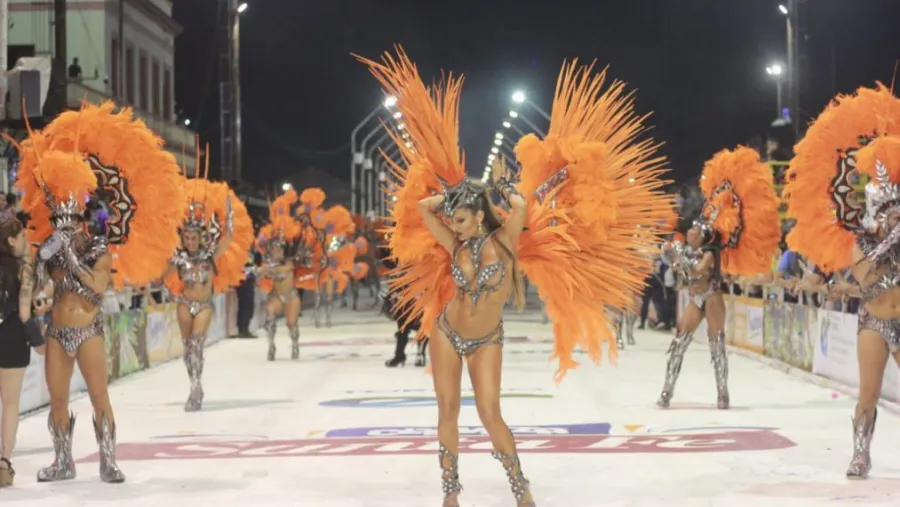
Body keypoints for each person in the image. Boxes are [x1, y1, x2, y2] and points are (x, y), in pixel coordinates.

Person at [358, 48, 673, 507]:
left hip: (486, 339)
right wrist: (457, 194)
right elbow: (427, 208)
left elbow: (522, 208)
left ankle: (520, 489)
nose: (455, 225)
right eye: (455, 221)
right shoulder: (454, 244)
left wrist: (493, 193)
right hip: (447, 333)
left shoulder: (506, 242)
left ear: (480, 217)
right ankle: (450, 494)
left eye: (462, 220)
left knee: (490, 414)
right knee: (446, 409)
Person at [13, 101, 184, 484]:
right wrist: (42, 260)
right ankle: (63, 460)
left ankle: (108, 459)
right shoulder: (51, 248)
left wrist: (71, 258)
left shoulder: (98, 251)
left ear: (82, 222)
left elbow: (95, 290)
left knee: (98, 397)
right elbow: (40, 287)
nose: (65, 229)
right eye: (59, 223)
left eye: (71, 224)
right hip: (57, 332)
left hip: (89, 330)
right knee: (58, 399)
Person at [783, 83, 900, 479]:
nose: (887, 211)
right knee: (868, 392)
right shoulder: (858, 242)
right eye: (881, 205)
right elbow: (867, 275)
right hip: (874, 321)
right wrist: (890, 239)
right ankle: (860, 453)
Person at [658, 146, 781, 410]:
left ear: (702, 235)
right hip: (695, 298)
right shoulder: (692, 247)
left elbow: (699, 271)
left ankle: (722, 394)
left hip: (712, 298)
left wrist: (680, 258)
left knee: (717, 346)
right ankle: (667, 391)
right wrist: (676, 257)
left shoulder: (711, 252)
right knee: (679, 341)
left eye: (694, 230)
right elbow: (685, 275)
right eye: (689, 229)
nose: (690, 231)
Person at [161, 175, 253, 411]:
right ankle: (194, 384)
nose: (190, 241)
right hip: (184, 303)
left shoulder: (209, 255)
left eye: (194, 237)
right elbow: (162, 275)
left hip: (204, 305)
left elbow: (229, 237)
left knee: (197, 343)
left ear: (201, 237)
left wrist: (229, 212)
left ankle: (195, 386)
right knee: (187, 347)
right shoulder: (179, 257)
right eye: (187, 237)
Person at [0, 218, 50, 487]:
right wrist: (37, 315)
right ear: (11, 241)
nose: (25, 242)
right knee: (10, 403)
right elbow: (23, 313)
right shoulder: (23, 270)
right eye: (21, 237)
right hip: (11, 340)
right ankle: (4, 463)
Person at [257, 190, 303, 360]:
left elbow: (287, 270)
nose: (277, 253)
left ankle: (295, 344)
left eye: (279, 250)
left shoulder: (291, 262)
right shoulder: (268, 265)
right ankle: (271, 346)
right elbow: (259, 278)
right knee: (269, 318)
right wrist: (261, 273)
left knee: (292, 324)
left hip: (291, 297)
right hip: (276, 296)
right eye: (274, 250)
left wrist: (271, 270)